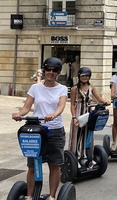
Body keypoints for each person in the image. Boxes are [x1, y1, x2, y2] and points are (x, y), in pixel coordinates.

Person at [12, 57, 68, 200]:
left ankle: (51, 196)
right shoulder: (35, 87)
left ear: (58, 72)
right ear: (44, 70)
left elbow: (61, 106)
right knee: (32, 165)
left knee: (54, 164)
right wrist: (19, 114)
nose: (50, 72)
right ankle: (30, 196)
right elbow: (26, 107)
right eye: (48, 69)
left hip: (54, 130)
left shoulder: (62, 89)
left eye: (54, 70)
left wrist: (53, 114)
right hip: (36, 130)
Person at [69, 67, 110, 161]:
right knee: (76, 136)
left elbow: (99, 98)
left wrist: (105, 102)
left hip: (88, 113)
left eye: (87, 76)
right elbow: (72, 104)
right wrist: (74, 117)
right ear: (79, 76)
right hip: (79, 113)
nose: (84, 77)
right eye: (83, 76)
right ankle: (74, 158)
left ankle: (86, 156)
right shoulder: (74, 89)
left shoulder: (91, 87)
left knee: (88, 134)